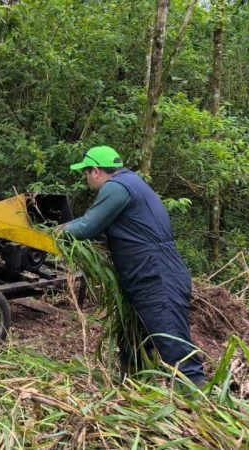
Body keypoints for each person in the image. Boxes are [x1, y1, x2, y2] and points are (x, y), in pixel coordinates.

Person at [62, 145, 206, 387]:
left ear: (95, 170)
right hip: (146, 273)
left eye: (85, 173)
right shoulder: (132, 182)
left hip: (155, 274)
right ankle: (132, 388)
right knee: (132, 337)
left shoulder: (116, 187)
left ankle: (196, 399)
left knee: (171, 339)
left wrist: (55, 232)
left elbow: (87, 226)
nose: (86, 179)